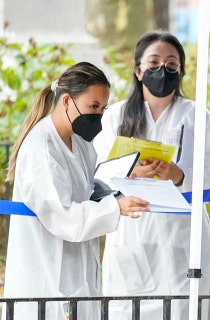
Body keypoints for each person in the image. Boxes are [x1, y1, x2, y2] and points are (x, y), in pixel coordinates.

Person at [92, 30, 210, 319]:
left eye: (171, 64)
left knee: (184, 306)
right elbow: (96, 173)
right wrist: (131, 170)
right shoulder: (115, 116)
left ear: (181, 71)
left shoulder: (196, 117)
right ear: (138, 71)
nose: (162, 70)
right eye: (154, 62)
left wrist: (180, 175)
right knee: (129, 308)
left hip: (181, 235)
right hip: (132, 230)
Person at [2, 62, 149, 320]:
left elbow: (89, 187)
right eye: (93, 107)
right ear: (67, 101)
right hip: (46, 276)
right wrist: (115, 207)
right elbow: (62, 215)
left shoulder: (79, 142)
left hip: (76, 273)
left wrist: (119, 183)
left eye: (102, 108)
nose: (98, 115)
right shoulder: (42, 147)